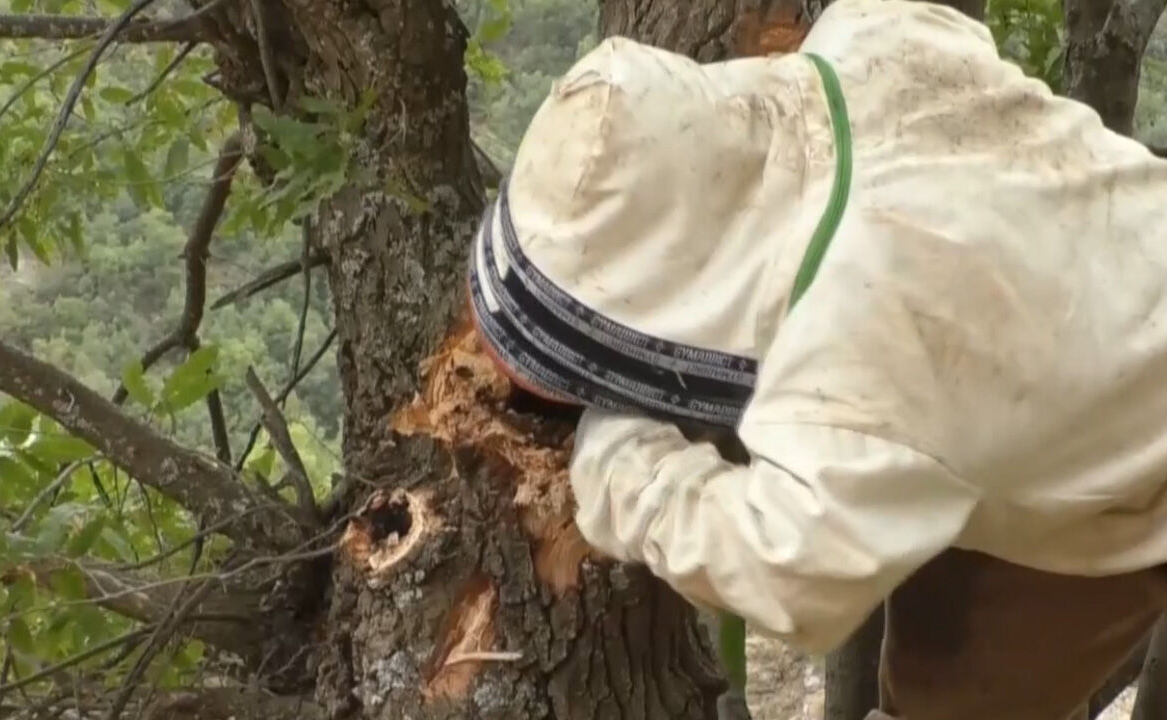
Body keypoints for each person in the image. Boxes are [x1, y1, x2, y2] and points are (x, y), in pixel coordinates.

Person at [465, 0, 1167, 717]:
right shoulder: (877, 30)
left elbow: (787, 572)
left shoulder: (869, 359)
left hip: (1136, 444)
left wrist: (621, 461)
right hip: (1082, 314)